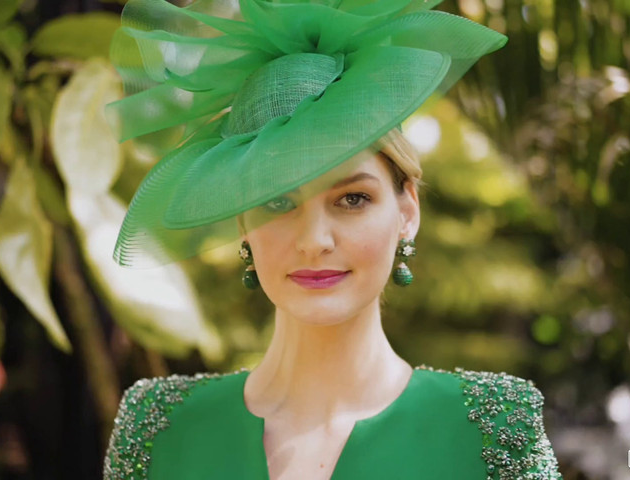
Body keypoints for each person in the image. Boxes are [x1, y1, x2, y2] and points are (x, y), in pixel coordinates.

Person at [102, 0, 563, 479]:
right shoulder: (156, 426)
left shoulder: (495, 427)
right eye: (277, 202)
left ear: (407, 212)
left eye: (352, 199)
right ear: (242, 222)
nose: (314, 240)